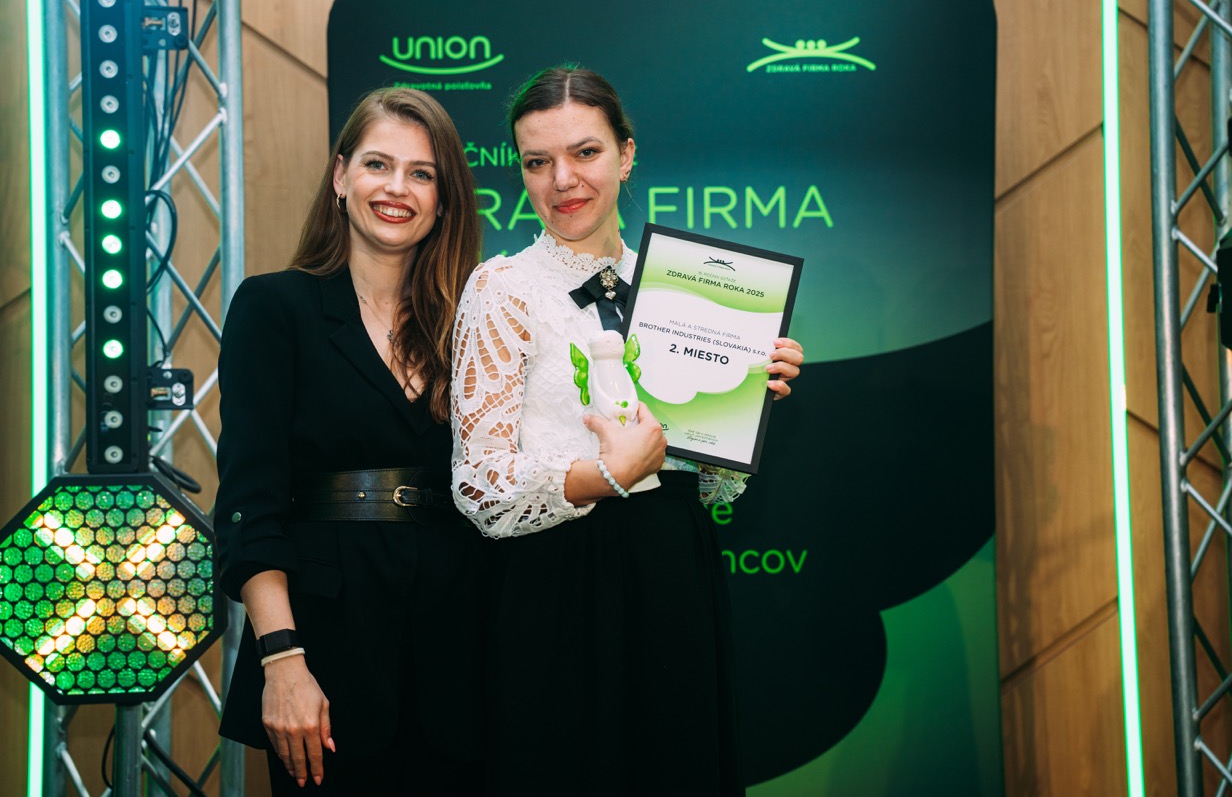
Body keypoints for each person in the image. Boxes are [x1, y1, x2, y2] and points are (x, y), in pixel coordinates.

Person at [449, 65, 804, 796]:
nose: (562, 180)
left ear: (627, 155)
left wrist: (748, 398)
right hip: (556, 582)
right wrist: (606, 476)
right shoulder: (501, 287)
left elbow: (714, 486)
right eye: (537, 162)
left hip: (672, 571)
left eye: (585, 152)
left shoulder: (689, 288)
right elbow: (478, 485)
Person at [214, 87, 486, 793]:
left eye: (422, 173)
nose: (397, 188)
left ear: (444, 198)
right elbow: (249, 502)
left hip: (464, 656)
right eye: (377, 164)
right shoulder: (275, 306)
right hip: (324, 656)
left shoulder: (475, 319)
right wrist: (282, 659)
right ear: (341, 177)